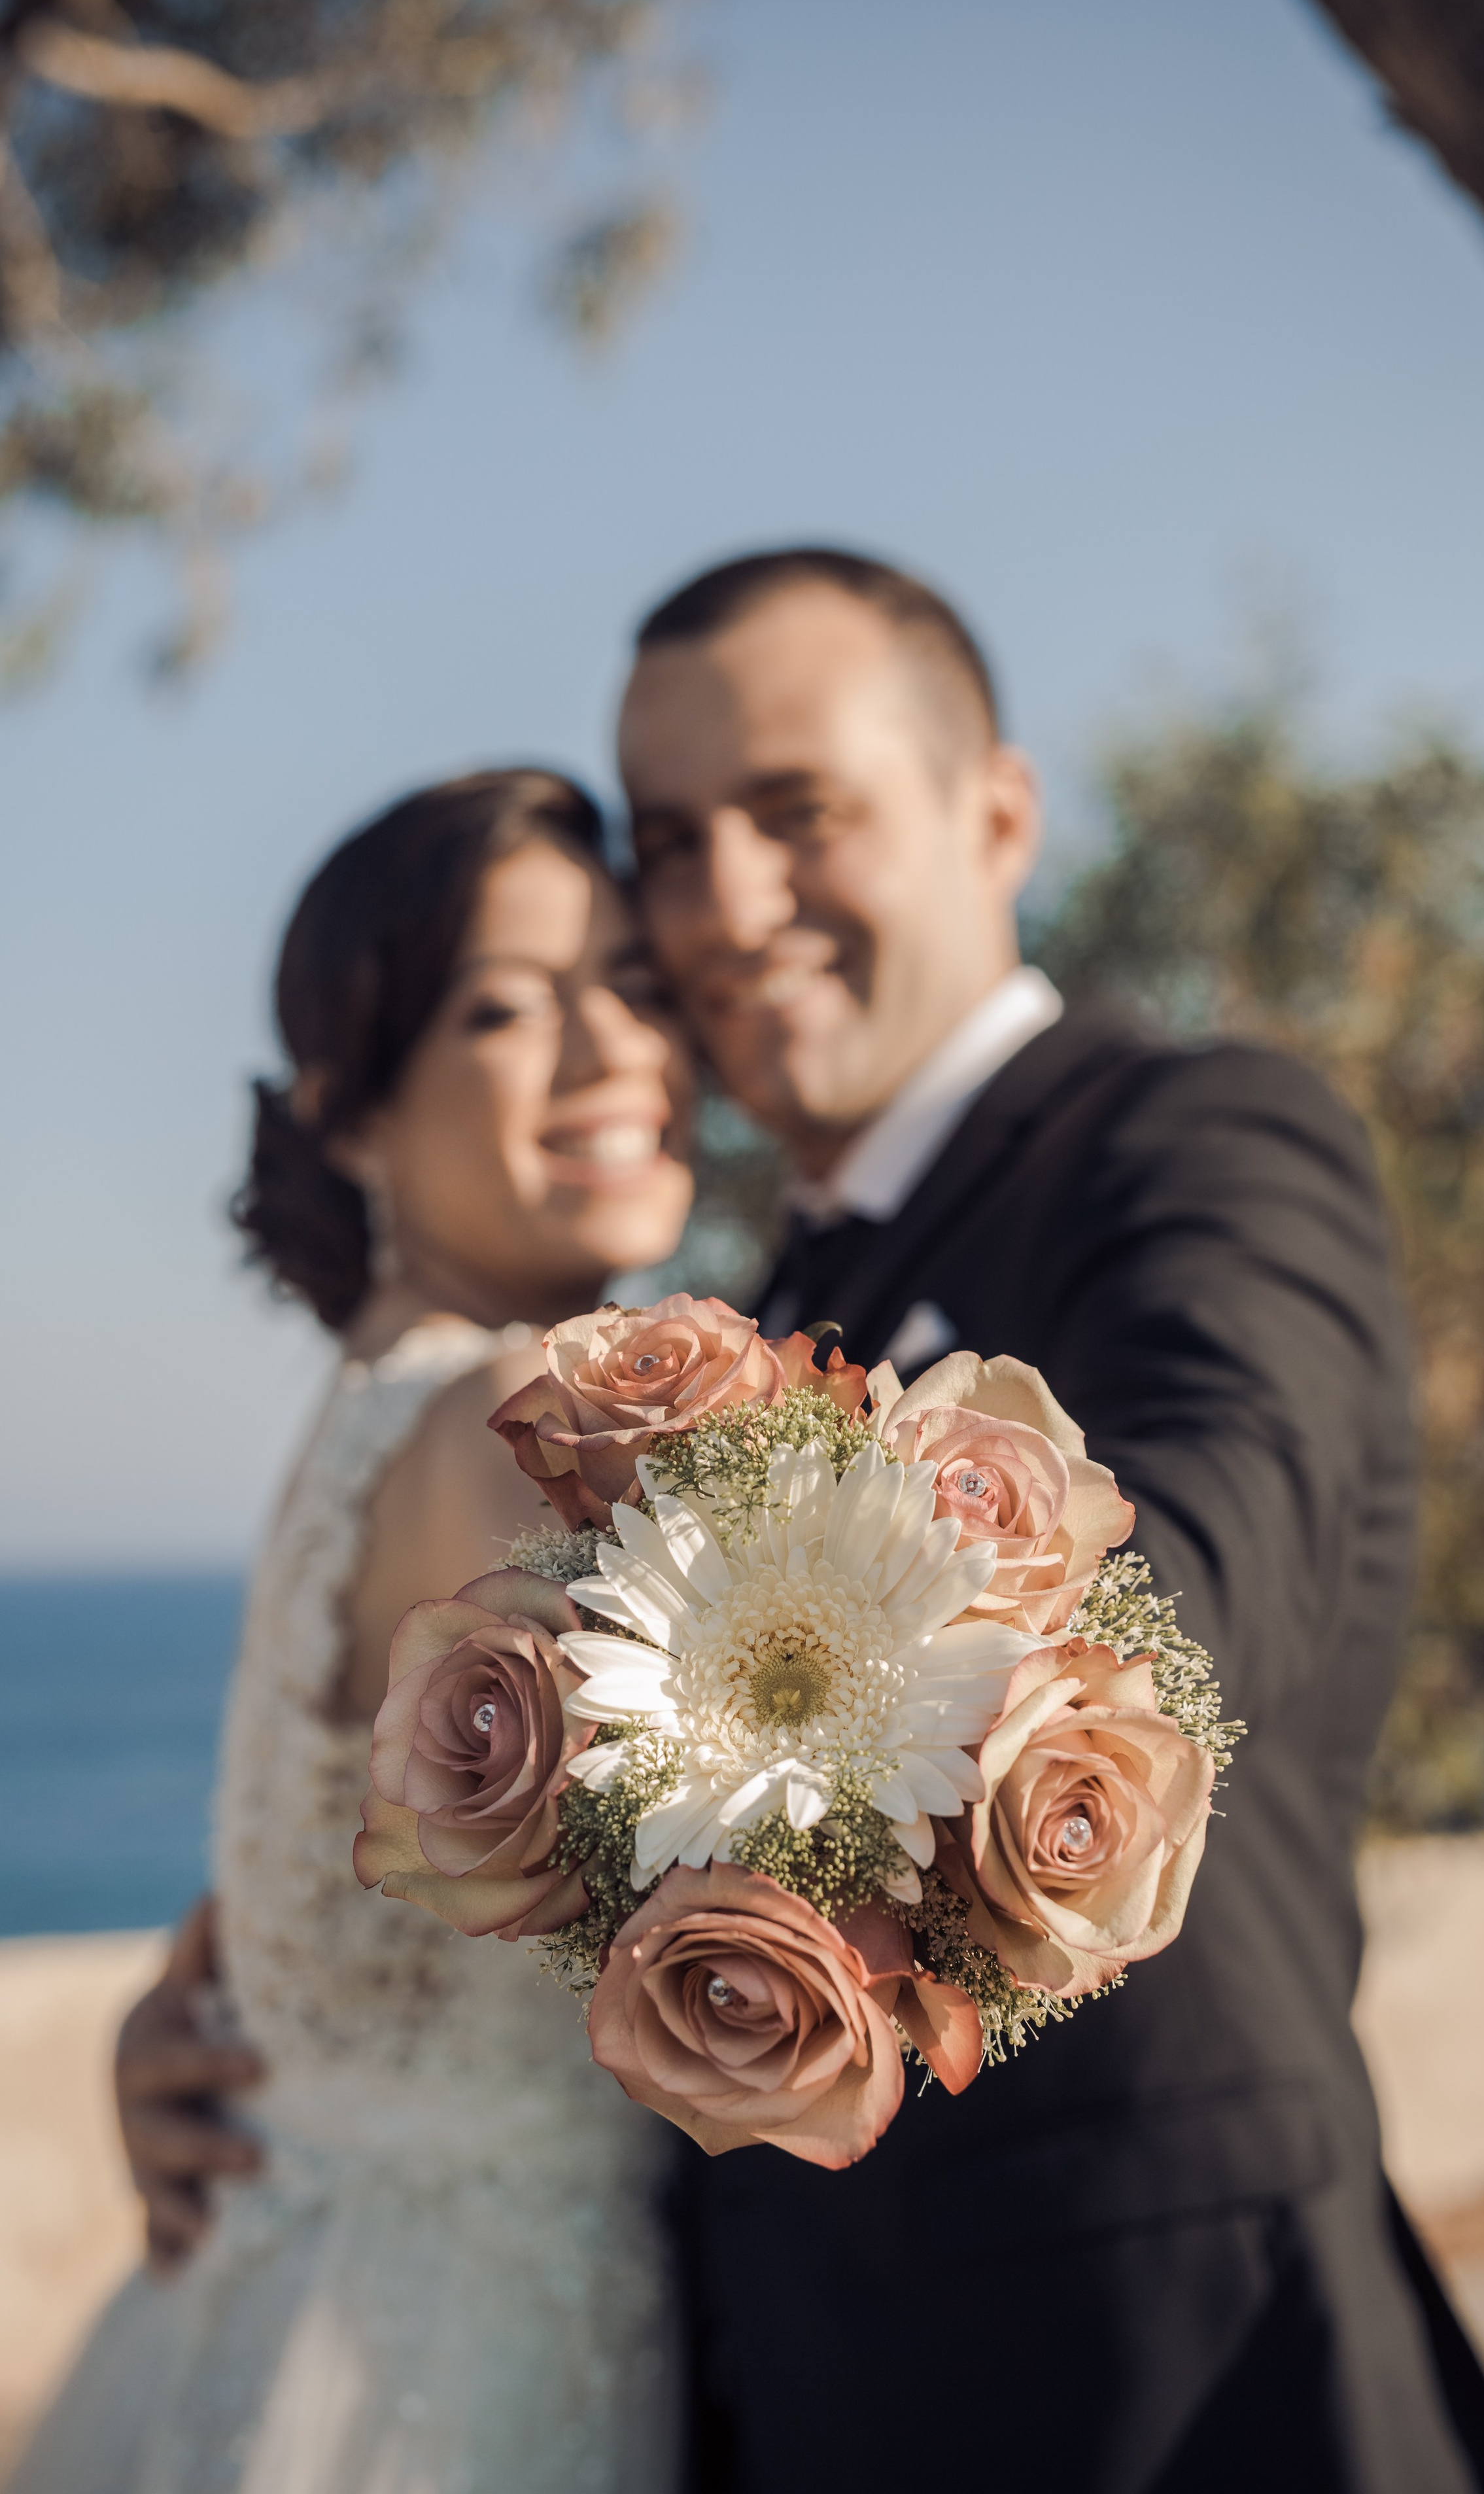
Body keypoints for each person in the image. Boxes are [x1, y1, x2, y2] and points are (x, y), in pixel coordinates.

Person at [618, 548, 1484, 2494]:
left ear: (1000, 816)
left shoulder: (1201, 1141)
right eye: (672, 842)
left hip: (1164, 2389)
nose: (722, 905)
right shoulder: (765, 1308)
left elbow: (1195, 1585)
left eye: (800, 816)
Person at [13, 770, 695, 2494]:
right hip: (455, 2392)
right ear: (348, 1113)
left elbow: (333, 1890)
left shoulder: (367, 1422)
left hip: (282, 2315)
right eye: (502, 1008)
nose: (614, 1051)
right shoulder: (507, 1415)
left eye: (632, 984)